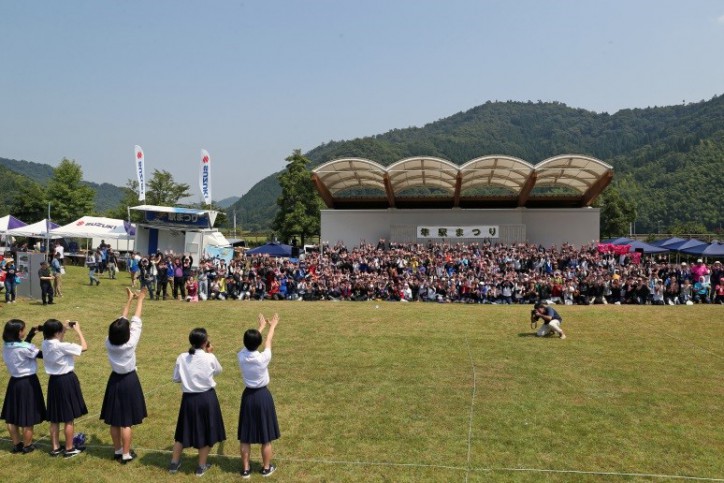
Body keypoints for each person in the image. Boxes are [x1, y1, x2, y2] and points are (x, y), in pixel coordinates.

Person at [100, 288, 148, 464]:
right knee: (126, 421)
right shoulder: (130, 342)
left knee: (114, 420)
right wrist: (140, 299)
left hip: (114, 380)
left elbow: (121, 322)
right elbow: (136, 320)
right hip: (129, 380)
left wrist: (129, 300)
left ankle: (118, 450)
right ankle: (126, 454)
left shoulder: (109, 342)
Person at [169, 328, 226, 477]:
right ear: (205, 342)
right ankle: (201, 466)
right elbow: (218, 371)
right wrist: (209, 354)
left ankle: (174, 464)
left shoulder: (182, 357)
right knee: (206, 431)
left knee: (182, 431)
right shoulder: (209, 357)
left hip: (188, 399)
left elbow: (176, 378)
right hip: (206, 398)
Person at [237, 313, 280, 478]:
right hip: (262, 396)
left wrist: (260, 327)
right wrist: (272, 326)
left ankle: (246, 470)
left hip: (248, 396)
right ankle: (266, 468)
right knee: (266, 436)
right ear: (258, 343)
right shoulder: (263, 358)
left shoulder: (241, 356)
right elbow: (268, 342)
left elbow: (252, 343)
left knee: (245, 437)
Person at [41, 318, 88, 457]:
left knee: (55, 417)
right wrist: (78, 331)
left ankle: (55, 448)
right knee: (68, 418)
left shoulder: (45, 343)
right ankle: (69, 448)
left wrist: (65, 329)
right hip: (66, 380)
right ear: (56, 332)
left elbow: (57, 340)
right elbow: (84, 347)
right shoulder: (61, 346)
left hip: (54, 381)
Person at [2, 319, 47, 454]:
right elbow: (44, 354)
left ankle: (17, 445)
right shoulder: (25, 348)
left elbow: (22, 346)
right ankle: (28, 445)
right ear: (19, 332)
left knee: (12, 416)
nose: (25, 330)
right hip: (28, 383)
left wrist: (31, 335)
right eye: (24, 329)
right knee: (28, 415)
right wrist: (48, 338)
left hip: (14, 382)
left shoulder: (7, 345)